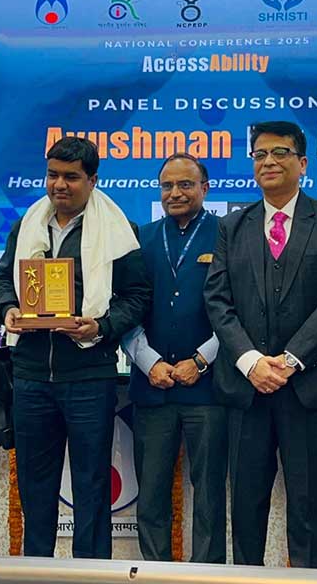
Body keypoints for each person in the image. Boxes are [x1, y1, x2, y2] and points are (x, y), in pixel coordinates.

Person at [203, 120, 317, 568]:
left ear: (302, 162)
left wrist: (290, 361)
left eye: (280, 152)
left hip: (309, 388)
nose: (268, 161)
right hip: (247, 389)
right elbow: (218, 298)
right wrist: (252, 361)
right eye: (259, 154)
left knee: (308, 503)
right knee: (246, 503)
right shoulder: (232, 226)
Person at [0, 136, 150, 559]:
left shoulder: (119, 231)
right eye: (53, 175)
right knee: (35, 485)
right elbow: (1, 279)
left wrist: (100, 325)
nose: (60, 185)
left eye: (71, 177)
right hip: (30, 377)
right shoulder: (27, 226)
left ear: (92, 180)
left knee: (91, 484)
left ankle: (90, 572)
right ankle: (36, 569)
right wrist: (6, 308)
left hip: (88, 375)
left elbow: (136, 297)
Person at [122, 154, 225, 563]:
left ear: (205, 188)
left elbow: (240, 312)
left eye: (185, 184)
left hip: (209, 390)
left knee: (209, 497)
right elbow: (125, 308)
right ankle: (154, 573)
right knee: (151, 497)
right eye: (167, 186)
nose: (175, 193)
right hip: (153, 390)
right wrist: (149, 362)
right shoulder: (139, 239)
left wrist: (201, 360)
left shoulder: (228, 235)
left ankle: (208, 575)